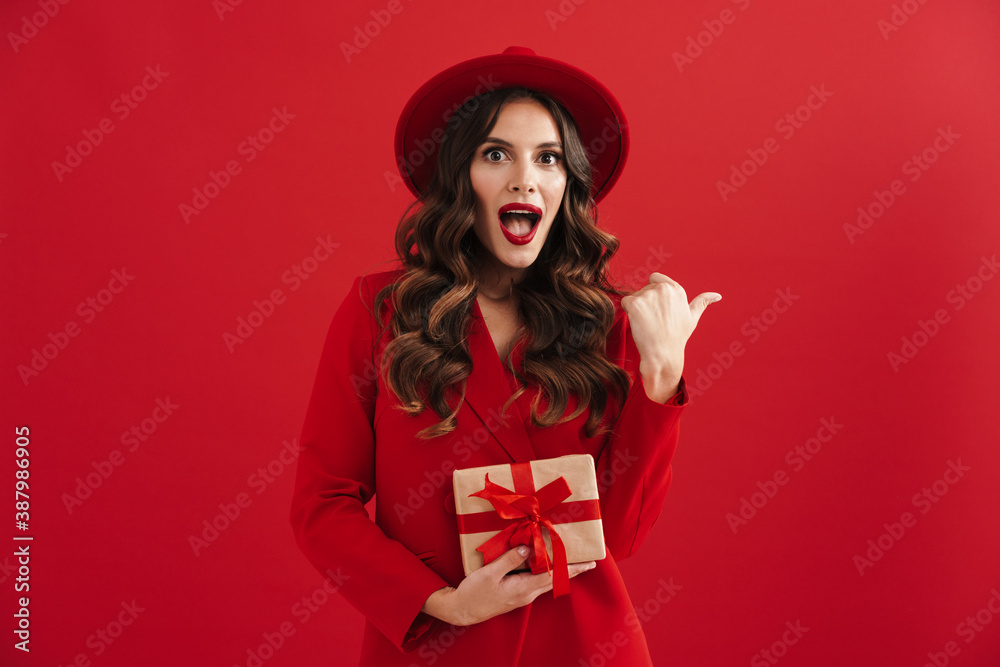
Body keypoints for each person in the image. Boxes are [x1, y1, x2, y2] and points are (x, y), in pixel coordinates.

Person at [289, 46, 720, 666]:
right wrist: (443, 602)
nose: (525, 179)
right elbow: (321, 505)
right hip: (435, 644)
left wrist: (662, 377)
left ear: (566, 183)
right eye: (497, 155)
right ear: (460, 176)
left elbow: (620, 536)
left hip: (585, 646)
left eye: (548, 158)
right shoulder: (381, 311)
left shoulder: (606, 323)